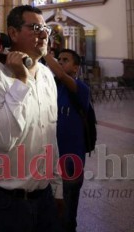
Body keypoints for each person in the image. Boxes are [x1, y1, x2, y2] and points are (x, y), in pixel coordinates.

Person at [0, 4, 63, 232]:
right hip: (1, 200)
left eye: (45, 28)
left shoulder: (46, 76)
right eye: (34, 27)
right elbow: (5, 138)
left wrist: (58, 187)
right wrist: (21, 81)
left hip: (42, 197)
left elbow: (50, 134)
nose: (43, 34)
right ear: (13, 33)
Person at [45, 49, 90, 232]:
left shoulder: (81, 89)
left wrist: (45, 54)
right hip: (50, 163)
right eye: (59, 59)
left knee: (67, 216)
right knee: (51, 215)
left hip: (71, 164)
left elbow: (62, 75)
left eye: (65, 60)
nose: (61, 62)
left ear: (76, 67)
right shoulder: (53, 88)